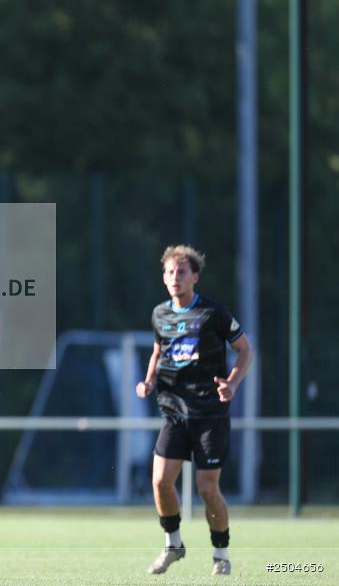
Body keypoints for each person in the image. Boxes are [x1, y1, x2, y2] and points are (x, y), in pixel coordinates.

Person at [136, 245, 254, 576]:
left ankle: (221, 554)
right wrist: (147, 382)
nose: (176, 277)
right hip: (174, 410)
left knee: (206, 488)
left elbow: (245, 350)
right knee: (160, 481)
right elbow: (158, 351)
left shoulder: (214, 313)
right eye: (171, 272)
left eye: (182, 272)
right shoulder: (160, 314)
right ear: (164, 277)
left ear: (195, 277)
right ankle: (173, 543)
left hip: (209, 414)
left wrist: (232, 383)